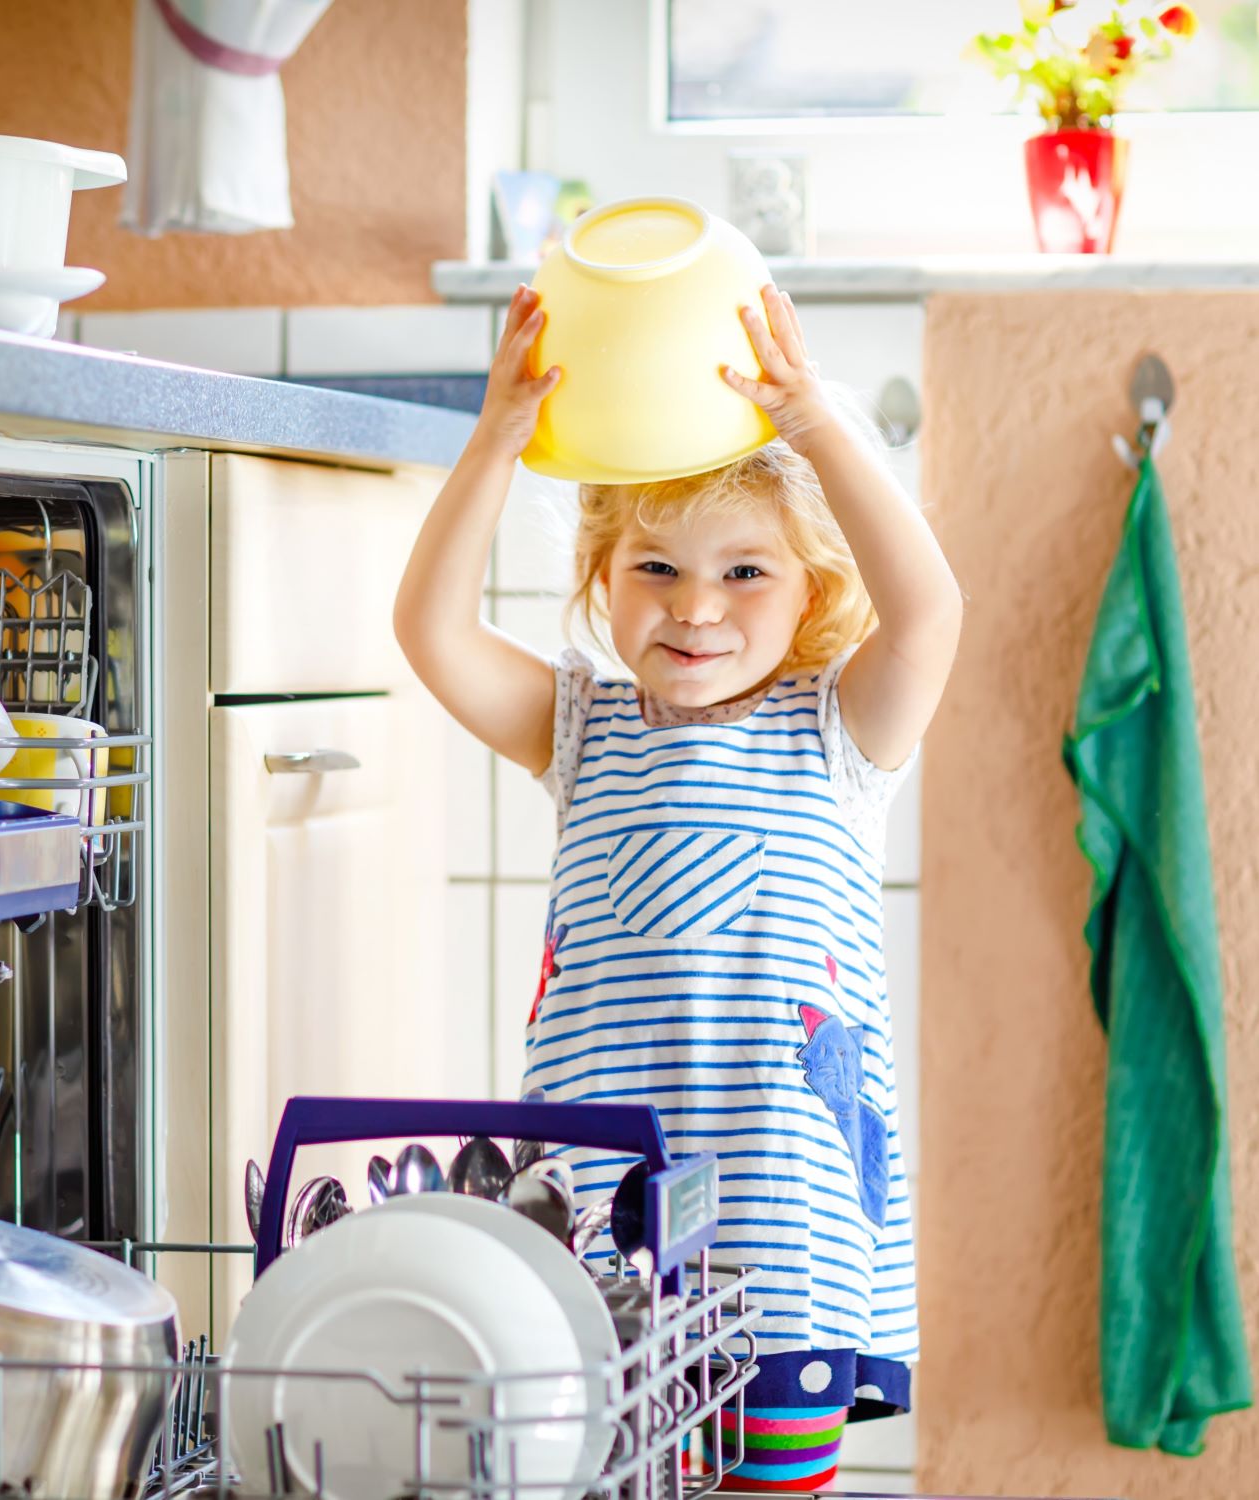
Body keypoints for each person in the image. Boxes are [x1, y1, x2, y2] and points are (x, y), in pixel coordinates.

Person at [394, 280, 962, 1492]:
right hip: (595, 1236)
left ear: (814, 589)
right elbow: (432, 628)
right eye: (656, 565)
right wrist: (498, 438)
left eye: (747, 572)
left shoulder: (841, 729)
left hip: (784, 1239)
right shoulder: (583, 727)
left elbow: (931, 607)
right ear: (604, 579)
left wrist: (811, 422)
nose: (696, 607)